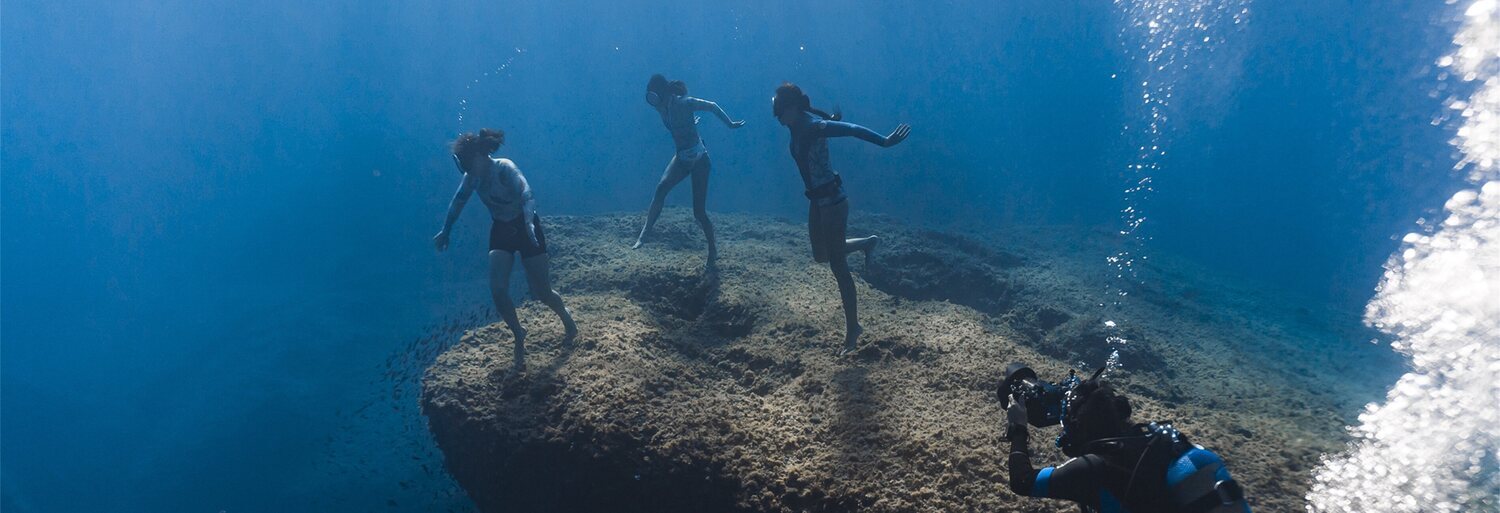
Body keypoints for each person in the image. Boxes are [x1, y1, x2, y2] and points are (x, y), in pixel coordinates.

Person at [771, 82, 910, 353]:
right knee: (821, 255)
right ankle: (867, 243)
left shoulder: (813, 127)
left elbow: (853, 130)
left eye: (780, 110)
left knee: (838, 265)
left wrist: (884, 141)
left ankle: (853, 330)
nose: (777, 116)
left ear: (793, 108)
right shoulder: (797, 125)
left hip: (833, 202)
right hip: (816, 201)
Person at [1004, 369, 1252, 512]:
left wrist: (1018, 427)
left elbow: (1023, 481)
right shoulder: (1160, 444)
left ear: (1079, 426)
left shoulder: (1093, 469)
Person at [434, 128, 577, 370]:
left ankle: (567, 320)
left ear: (480, 155)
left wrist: (530, 223)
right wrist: (446, 230)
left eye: (469, 164)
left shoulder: (504, 167)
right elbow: (457, 203)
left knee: (542, 291)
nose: (468, 171)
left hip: (525, 226)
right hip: (501, 229)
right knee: (498, 290)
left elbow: (526, 193)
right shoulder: (471, 178)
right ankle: (519, 333)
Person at [633, 74, 746, 266]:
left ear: (663, 93)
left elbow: (712, 105)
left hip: (700, 159)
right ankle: (645, 233)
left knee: (699, 212)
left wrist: (730, 124)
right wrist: (689, 123)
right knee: (661, 189)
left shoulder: (685, 103)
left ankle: (712, 249)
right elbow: (677, 124)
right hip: (681, 157)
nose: (653, 102)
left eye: (654, 96)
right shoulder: (661, 108)